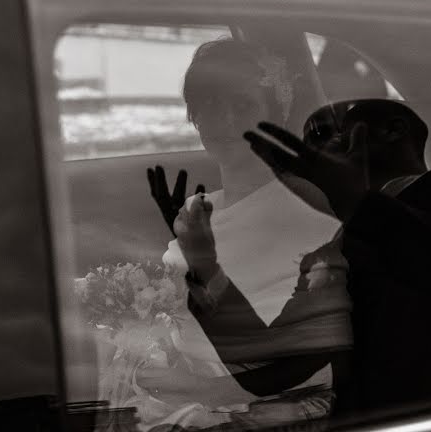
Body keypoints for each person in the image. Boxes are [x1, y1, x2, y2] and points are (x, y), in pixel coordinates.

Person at [177, 99, 431, 415]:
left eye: (325, 134)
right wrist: (205, 265)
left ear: (393, 131)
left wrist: (362, 206)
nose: (312, 154)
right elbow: (274, 362)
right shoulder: (328, 252)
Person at [129, 40, 352, 429]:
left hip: (268, 405)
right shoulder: (195, 208)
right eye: (211, 105)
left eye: (244, 105)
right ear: (194, 116)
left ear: (274, 116)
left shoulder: (298, 203)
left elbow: (314, 354)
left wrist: (203, 389)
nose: (226, 121)